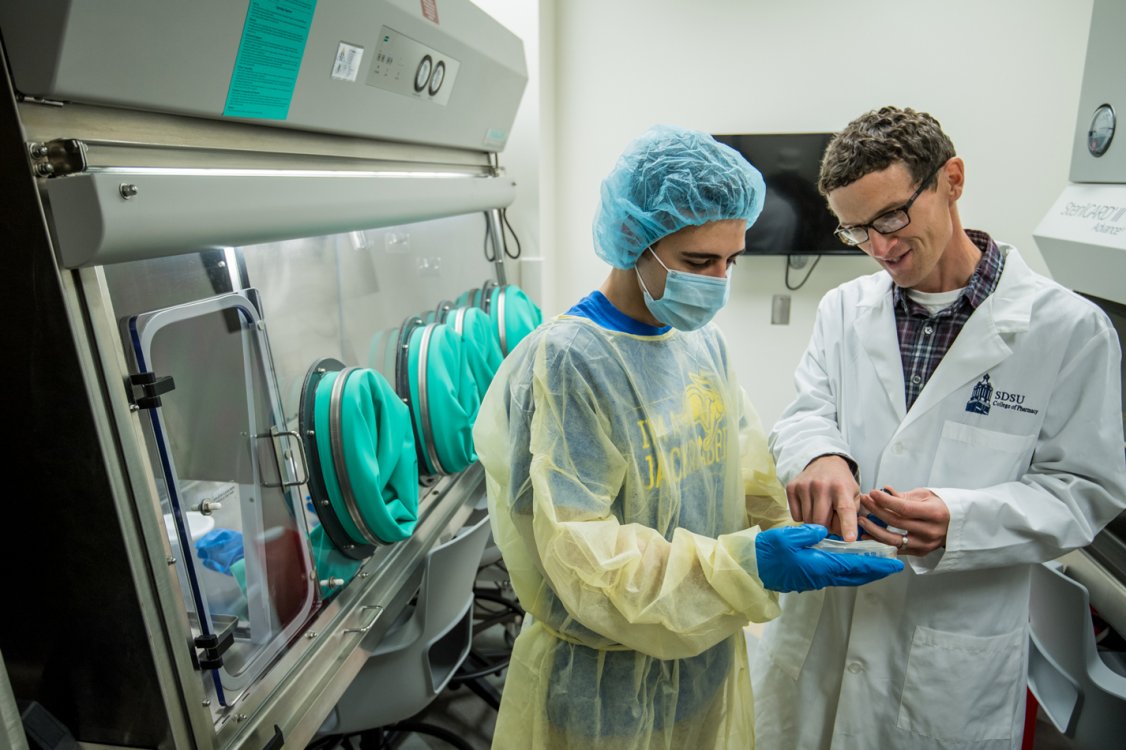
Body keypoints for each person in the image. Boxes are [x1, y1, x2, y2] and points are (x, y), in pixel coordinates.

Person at [473, 124, 903, 750]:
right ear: (633, 242)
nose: (718, 281)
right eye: (699, 262)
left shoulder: (702, 344)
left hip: (705, 664)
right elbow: (582, 560)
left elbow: (745, 471)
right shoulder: (571, 362)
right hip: (603, 690)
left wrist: (817, 520)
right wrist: (744, 565)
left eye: (731, 261)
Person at [751, 106, 1126, 749]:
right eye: (857, 230)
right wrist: (820, 455)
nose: (880, 247)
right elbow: (808, 411)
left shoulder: (1068, 330)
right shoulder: (845, 308)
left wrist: (960, 519)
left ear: (951, 179)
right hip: (823, 633)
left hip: (949, 655)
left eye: (893, 217)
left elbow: (1085, 487)